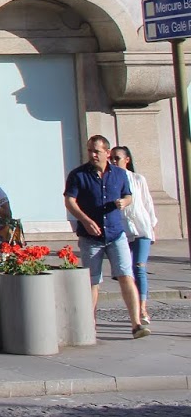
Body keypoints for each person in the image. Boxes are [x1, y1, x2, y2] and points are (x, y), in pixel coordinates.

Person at [63, 134, 147, 339]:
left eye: (97, 151)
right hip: (90, 237)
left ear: (107, 153)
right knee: (92, 281)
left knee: (126, 275)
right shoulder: (78, 175)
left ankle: (136, 324)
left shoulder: (119, 174)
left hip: (116, 233)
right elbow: (70, 201)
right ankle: (89, 325)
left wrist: (124, 202)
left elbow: (128, 195)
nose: (92, 154)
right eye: (90, 150)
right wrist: (84, 220)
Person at [113, 145, 158, 326]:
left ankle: (143, 309)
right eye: (111, 158)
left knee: (139, 266)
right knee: (126, 271)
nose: (113, 161)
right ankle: (134, 307)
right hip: (122, 230)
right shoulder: (111, 180)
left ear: (127, 160)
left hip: (141, 228)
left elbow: (147, 203)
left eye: (117, 158)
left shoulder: (138, 179)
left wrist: (151, 225)